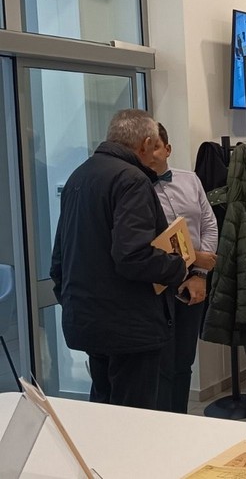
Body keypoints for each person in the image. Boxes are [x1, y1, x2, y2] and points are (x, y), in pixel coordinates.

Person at [50, 109, 188, 410]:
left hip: (90, 320)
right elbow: (132, 255)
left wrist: (73, 302)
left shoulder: (78, 176)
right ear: (146, 143)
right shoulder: (131, 180)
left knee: (104, 409)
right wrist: (178, 266)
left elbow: (59, 257)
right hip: (130, 325)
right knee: (133, 416)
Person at [150, 123, 218, 413]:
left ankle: (181, 419)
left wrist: (200, 274)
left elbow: (209, 224)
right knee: (161, 364)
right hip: (158, 284)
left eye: (155, 146)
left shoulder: (190, 179)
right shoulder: (133, 187)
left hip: (194, 282)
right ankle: (164, 423)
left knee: (184, 361)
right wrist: (193, 260)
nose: (150, 153)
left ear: (168, 149)